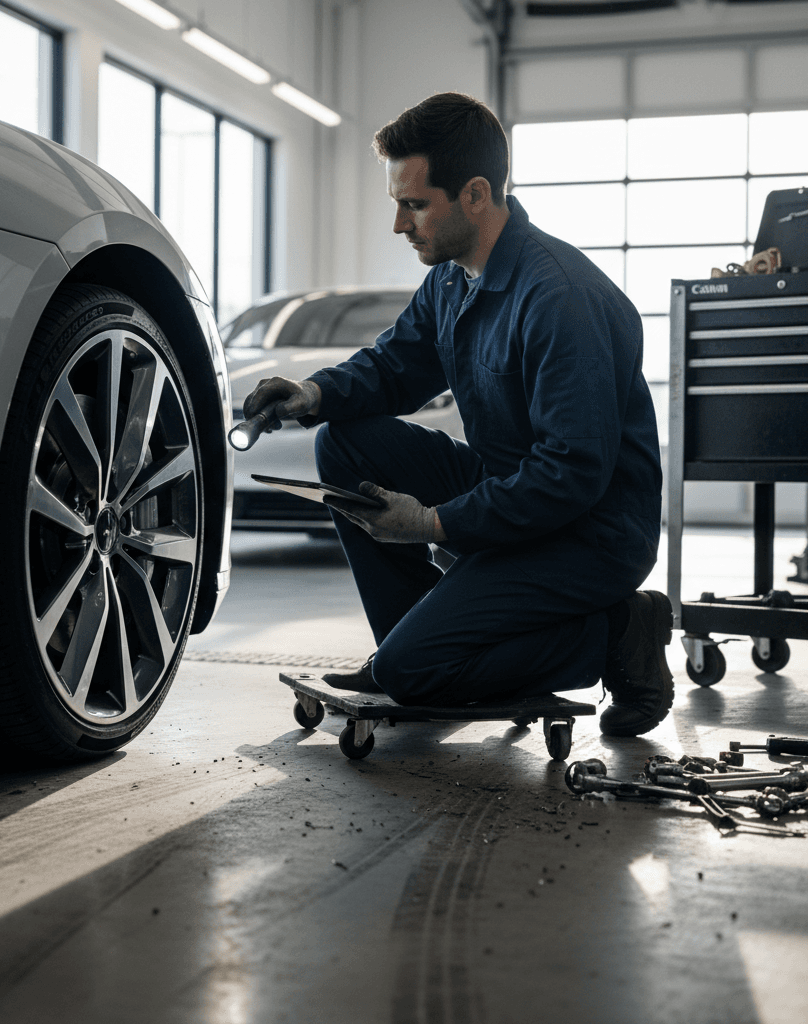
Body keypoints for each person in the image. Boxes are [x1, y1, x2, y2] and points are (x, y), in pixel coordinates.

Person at [243, 92, 672, 737]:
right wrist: (312, 394)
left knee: (414, 671)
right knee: (346, 443)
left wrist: (435, 523)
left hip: (589, 532)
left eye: (414, 204)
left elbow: (570, 475)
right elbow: (395, 367)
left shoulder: (561, 300)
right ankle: (421, 648)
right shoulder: (452, 278)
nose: (398, 224)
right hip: (508, 489)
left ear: (475, 194)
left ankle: (616, 632)